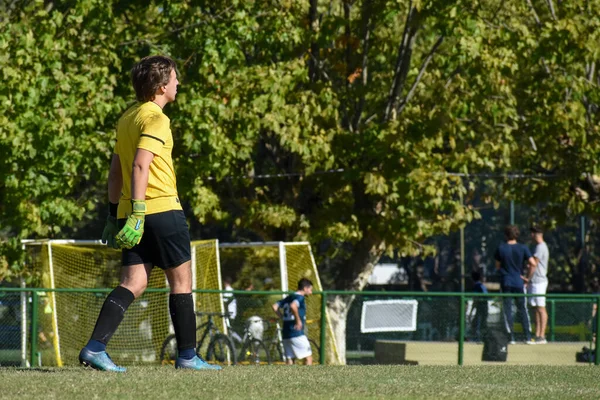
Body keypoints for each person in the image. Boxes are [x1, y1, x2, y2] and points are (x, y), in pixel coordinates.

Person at [79, 55, 220, 372]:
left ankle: (95, 348)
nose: (178, 83)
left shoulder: (127, 117)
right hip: (161, 210)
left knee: (133, 282)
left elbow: (115, 173)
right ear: (161, 86)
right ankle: (187, 356)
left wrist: (115, 215)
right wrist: (140, 212)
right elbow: (140, 165)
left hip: (132, 212)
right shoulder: (157, 118)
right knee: (181, 282)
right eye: (174, 78)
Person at [494, 225, 536, 344]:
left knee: (507, 310)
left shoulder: (501, 248)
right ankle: (527, 337)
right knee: (522, 308)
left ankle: (510, 337)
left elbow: (497, 266)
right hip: (518, 282)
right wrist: (527, 278)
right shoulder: (523, 248)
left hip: (506, 281)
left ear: (505, 235)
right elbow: (533, 264)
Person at [272, 278, 313, 365]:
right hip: (296, 332)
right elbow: (293, 306)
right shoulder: (300, 297)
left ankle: (288, 378)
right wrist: (298, 321)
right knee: (308, 358)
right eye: (310, 289)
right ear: (305, 288)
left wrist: (282, 317)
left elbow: (275, 306)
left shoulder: (289, 297)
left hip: (286, 332)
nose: (311, 292)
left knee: (290, 359)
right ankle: (307, 378)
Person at [527, 225, 549, 344]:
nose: (531, 236)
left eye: (532, 233)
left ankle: (542, 335)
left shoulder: (541, 247)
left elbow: (533, 264)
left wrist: (527, 278)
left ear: (537, 234)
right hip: (534, 281)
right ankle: (537, 334)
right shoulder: (537, 247)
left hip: (539, 281)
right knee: (535, 308)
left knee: (541, 307)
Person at [469, 270, 488, 342]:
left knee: (477, 324)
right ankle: (481, 338)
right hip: (485, 307)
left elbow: (475, 299)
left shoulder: (477, 286)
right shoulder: (482, 286)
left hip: (480, 308)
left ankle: (477, 339)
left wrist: (471, 312)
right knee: (482, 323)